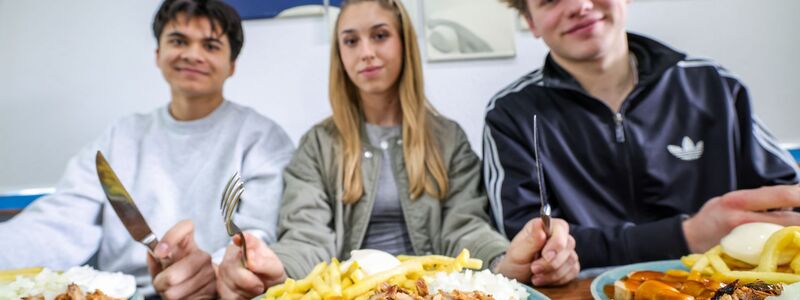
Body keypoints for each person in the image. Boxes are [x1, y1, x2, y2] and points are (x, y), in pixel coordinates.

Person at [216, 0, 580, 298]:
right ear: (339, 55)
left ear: (404, 42)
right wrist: (274, 266)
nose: (367, 52)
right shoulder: (317, 145)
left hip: (432, 291)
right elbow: (306, 235)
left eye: (380, 35)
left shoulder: (448, 138)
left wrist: (504, 259)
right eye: (351, 41)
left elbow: (466, 227)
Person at [0, 0, 294, 298]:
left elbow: (258, 237)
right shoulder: (120, 136)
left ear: (232, 65)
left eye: (211, 45)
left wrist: (216, 273)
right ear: (158, 54)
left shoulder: (264, 139)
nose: (192, 54)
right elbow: (59, 222)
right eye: (179, 41)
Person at [485, 0, 800, 269]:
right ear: (531, 21)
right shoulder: (511, 114)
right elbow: (525, 245)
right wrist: (686, 235)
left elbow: (786, 196)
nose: (579, 6)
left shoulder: (714, 85)